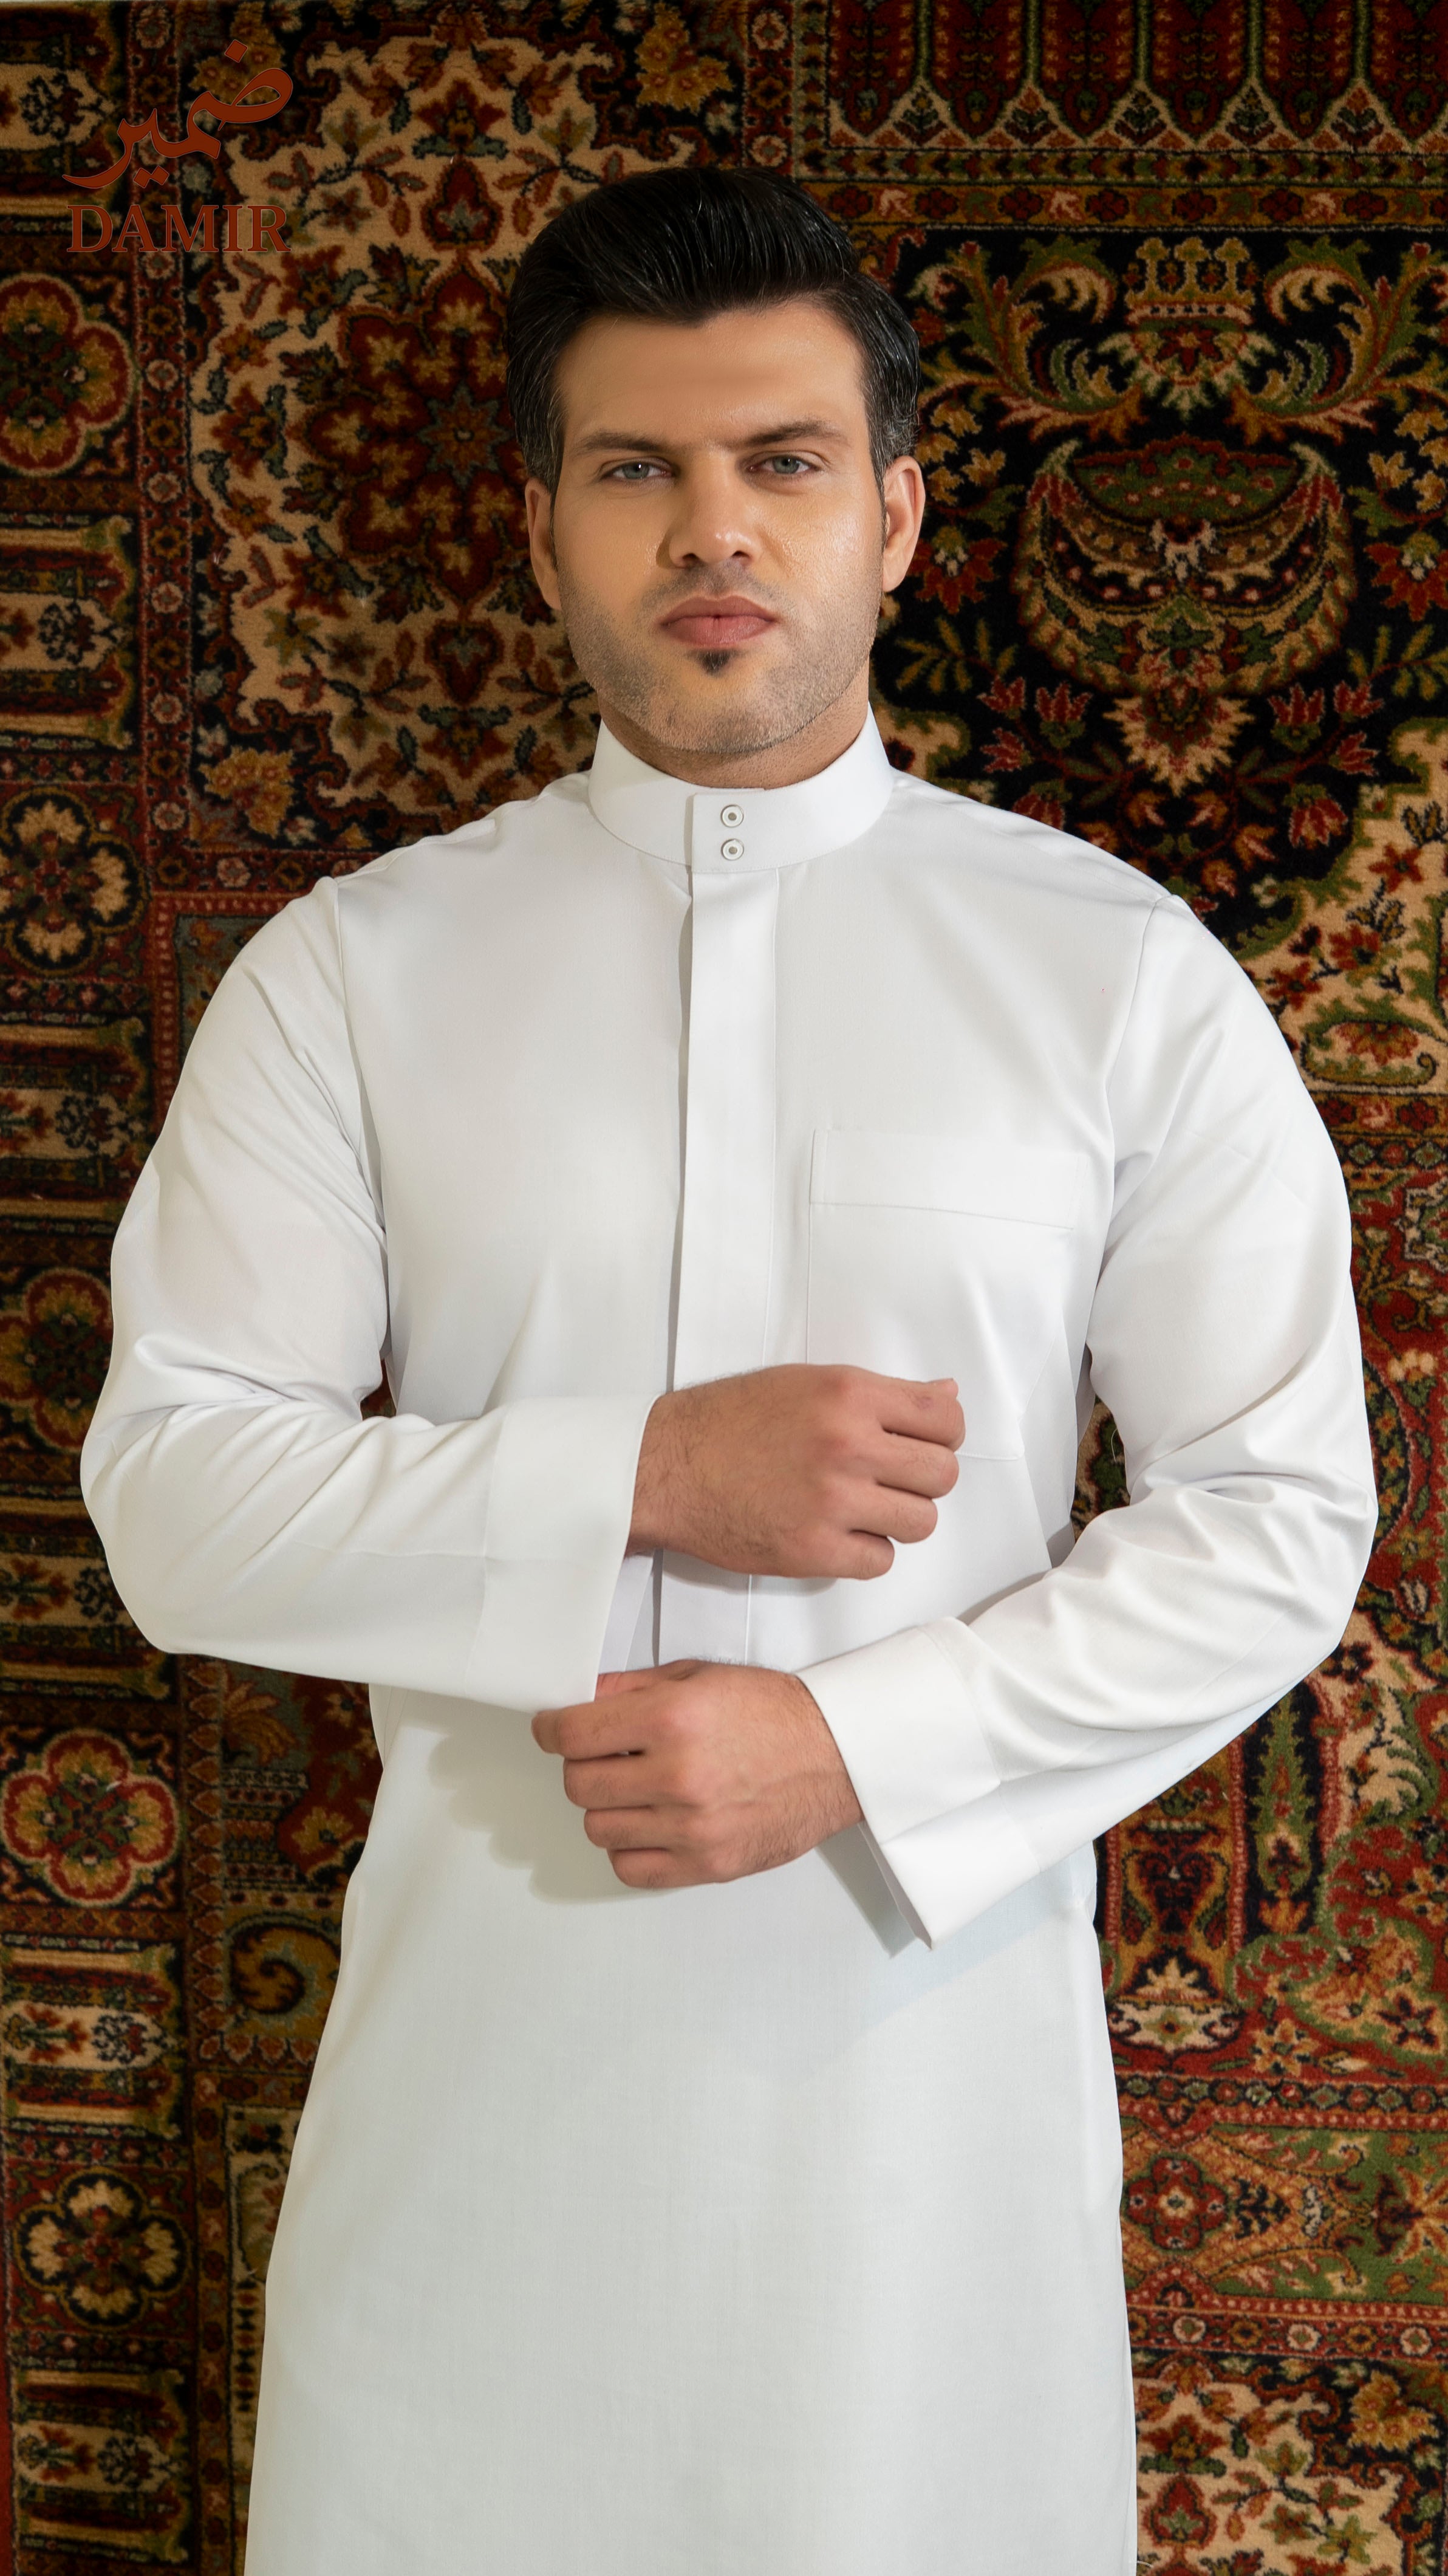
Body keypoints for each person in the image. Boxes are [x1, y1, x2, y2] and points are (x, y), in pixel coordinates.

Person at [81, 168, 1376, 2574]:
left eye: (782, 461)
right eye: (636, 467)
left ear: (894, 517)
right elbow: (175, 1499)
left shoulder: (1117, 979)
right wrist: (644, 1471)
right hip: (476, 2114)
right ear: (540, 528)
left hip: (927, 2130)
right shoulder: (352, 977)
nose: (714, 529)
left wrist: (850, 1744)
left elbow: (1278, 1519)